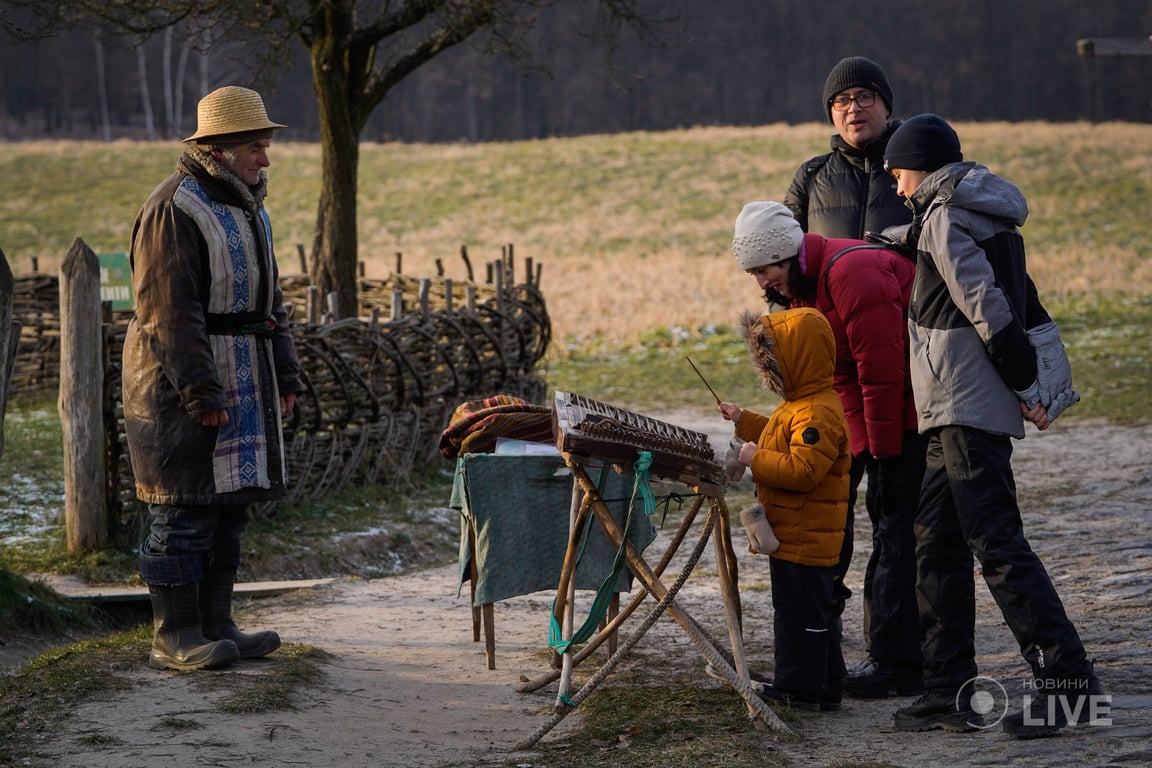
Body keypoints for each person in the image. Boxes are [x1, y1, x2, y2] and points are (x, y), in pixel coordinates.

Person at [882, 113, 1098, 737]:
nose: (897, 186)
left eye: (899, 174)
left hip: (965, 407)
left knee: (996, 545)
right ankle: (948, 688)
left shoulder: (947, 218)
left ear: (920, 165)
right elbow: (1019, 295)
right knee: (935, 544)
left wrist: (1027, 385)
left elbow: (990, 307)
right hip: (954, 409)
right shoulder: (983, 217)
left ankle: (1069, 683)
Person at [123, 85, 305, 671]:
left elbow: (269, 301)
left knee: (230, 504)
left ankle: (217, 623)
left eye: (265, 145)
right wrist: (200, 391)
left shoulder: (247, 205)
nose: (265, 158)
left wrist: (286, 372)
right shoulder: (174, 207)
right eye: (256, 146)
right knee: (184, 508)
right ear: (221, 147)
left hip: (243, 373)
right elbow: (167, 313)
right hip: (178, 384)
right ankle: (174, 635)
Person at [732, 200, 925, 698]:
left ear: (789, 254)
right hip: (862, 419)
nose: (761, 283)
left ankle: (898, 664)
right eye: (754, 273)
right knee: (830, 533)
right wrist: (847, 446)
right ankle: (822, 665)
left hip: (905, 421)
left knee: (892, 533)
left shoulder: (852, 273)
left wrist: (878, 456)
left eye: (765, 270)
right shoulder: (804, 288)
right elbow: (832, 378)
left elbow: (883, 373)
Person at [783, 56, 918, 682]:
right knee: (825, 514)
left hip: (905, 371)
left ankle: (892, 657)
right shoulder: (811, 178)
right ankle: (820, 653)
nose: (854, 108)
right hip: (829, 384)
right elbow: (778, 271)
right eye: (842, 100)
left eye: (866, 96)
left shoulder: (915, 167)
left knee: (896, 520)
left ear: (887, 105)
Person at [718, 303, 851, 713]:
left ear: (798, 359)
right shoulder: (800, 404)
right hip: (795, 534)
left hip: (805, 537)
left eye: (774, 360)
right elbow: (777, 435)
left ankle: (799, 688)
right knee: (812, 612)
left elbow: (802, 470)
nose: (770, 369)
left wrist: (754, 459)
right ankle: (826, 684)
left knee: (799, 617)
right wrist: (743, 420)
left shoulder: (817, 413)